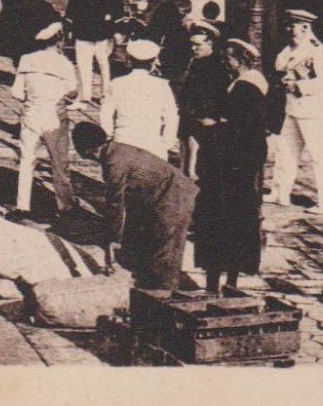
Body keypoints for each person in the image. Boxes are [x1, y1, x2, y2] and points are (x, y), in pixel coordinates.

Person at [72, 121, 198, 290]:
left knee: (165, 252)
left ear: (86, 150)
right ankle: (154, 284)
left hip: (174, 197)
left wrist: (112, 239)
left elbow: (115, 206)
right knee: (148, 245)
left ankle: (166, 297)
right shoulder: (115, 150)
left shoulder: (114, 163)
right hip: (161, 196)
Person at [193, 38, 268, 292]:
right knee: (236, 224)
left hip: (228, 169)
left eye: (230, 58)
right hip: (240, 168)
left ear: (241, 59)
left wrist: (213, 126)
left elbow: (239, 129)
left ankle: (216, 282)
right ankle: (230, 281)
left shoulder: (246, 88)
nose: (226, 62)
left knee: (220, 223)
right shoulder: (248, 84)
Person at [269, 9, 323, 214]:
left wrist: (298, 87)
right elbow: (279, 64)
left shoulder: (316, 50)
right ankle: (280, 193)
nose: (289, 29)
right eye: (289, 25)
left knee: (318, 156)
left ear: (305, 27)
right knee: (285, 151)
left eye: (293, 26)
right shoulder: (292, 47)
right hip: (293, 108)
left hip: (311, 109)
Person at [10, 22, 77, 218]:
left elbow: (16, 92)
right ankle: (65, 205)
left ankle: (22, 206)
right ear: (59, 40)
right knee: (59, 163)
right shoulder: (64, 63)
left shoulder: (26, 59)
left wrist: (32, 99)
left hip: (31, 114)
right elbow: (72, 93)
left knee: (26, 160)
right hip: (54, 116)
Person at [99, 38, 179, 163]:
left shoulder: (117, 83)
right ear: (153, 62)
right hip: (153, 142)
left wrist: (109, 135)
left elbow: (105, 113)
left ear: (129, 60)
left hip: (123, 141)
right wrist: (167, 143)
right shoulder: (162, 85)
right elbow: (171, 117)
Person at [67, 0, 125, 104]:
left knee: (103, 64)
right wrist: (70, 27)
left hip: (102, 32)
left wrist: (116, 30)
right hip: (83, 31)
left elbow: (117, 8)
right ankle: (84, 96)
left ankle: (105, 96)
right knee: (82, 65)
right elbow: (72, 7)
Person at [177, 22, 230, 179]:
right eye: (192, 45)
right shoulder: (196, 62)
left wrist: (202, 117)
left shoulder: (219, 67)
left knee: (199, 169)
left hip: (205, 123)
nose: (193, 49)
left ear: (210, 43)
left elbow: (219, 98)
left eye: (197, 45)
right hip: (191, 120)